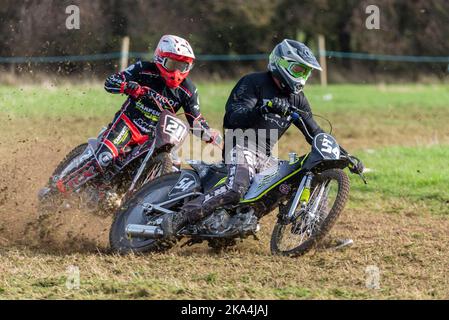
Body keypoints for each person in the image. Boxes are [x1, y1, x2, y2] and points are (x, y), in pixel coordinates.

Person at [160, 39, 364, 238]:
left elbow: (315, 132)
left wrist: (345, 155)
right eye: (299, 70)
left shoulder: (297, 99)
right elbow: (234, 116)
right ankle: (179, 218)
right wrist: (264, 108)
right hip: (240, 144)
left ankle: (317, 234)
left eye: (307, 72)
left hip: (266, 156)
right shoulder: (253, 82)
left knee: (301, 176)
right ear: (281, 63)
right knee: (236, 188)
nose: (303, 77)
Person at [46, 35, 220, 195]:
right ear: (160, 59)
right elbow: (111, 82)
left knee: (174, 169)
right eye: (172, 65)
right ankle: (57, 190)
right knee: (104, 158)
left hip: (157, 136)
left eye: (182, 67)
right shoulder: (143, 69)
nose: (176, 72)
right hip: (128, 125)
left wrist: (209, 134)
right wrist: (128, 86)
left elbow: (196, 120)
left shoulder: (189, 90)